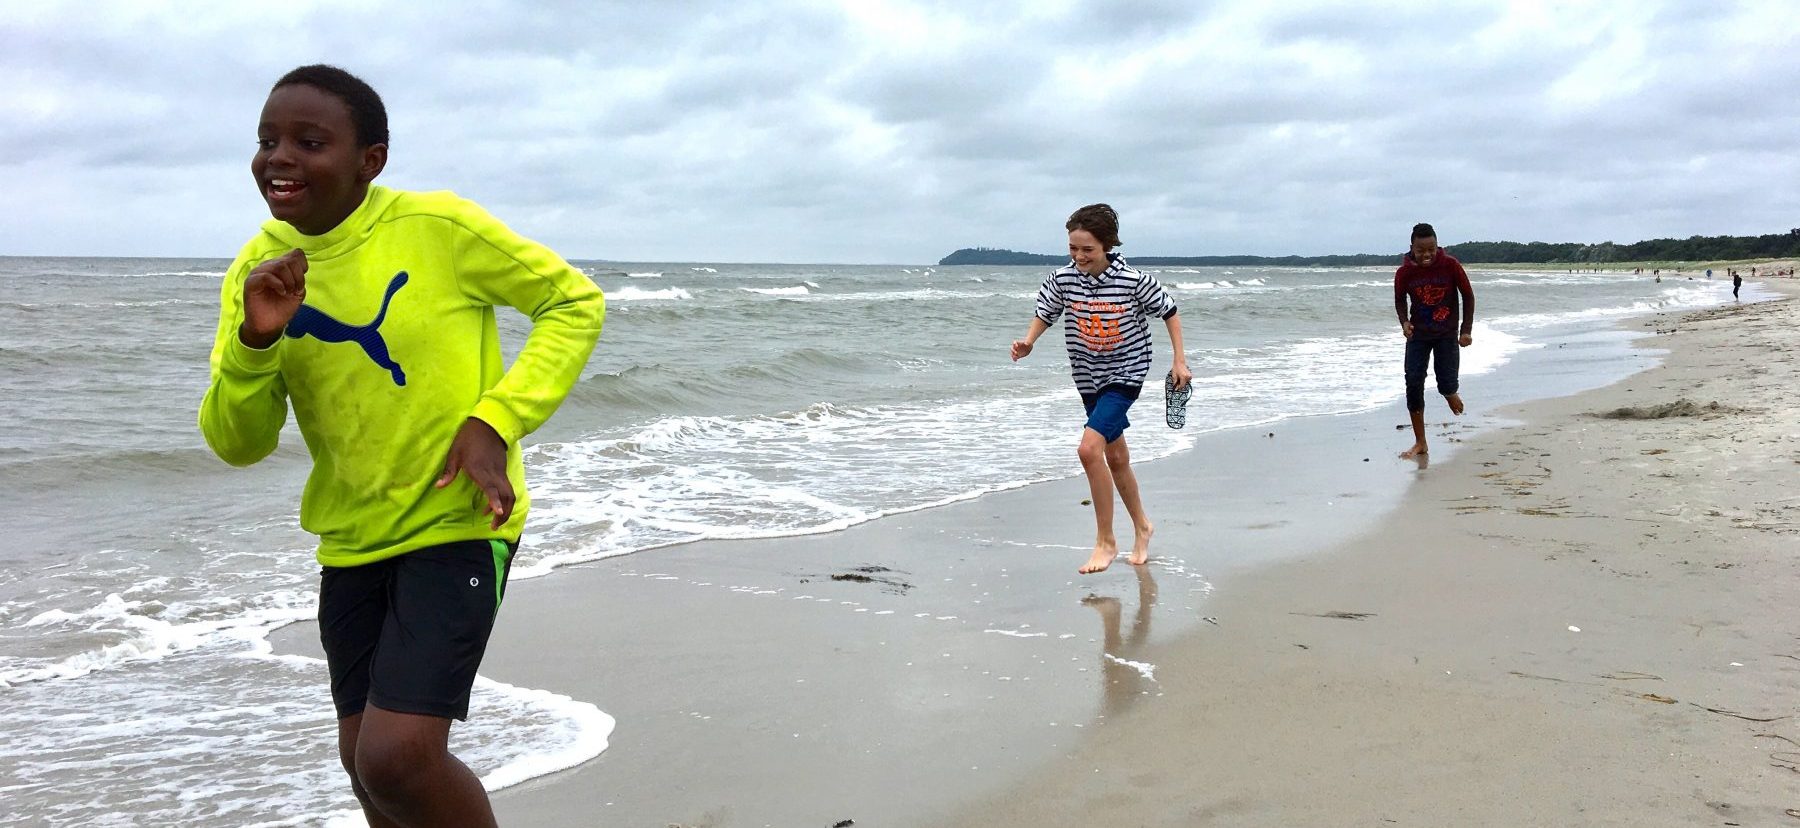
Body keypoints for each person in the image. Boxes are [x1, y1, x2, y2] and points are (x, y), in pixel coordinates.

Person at [199, 65, 604, 827]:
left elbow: (573, 301)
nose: (279, 157)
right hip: (350, 540)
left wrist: (497, 417)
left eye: (308, 142)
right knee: (367, 772)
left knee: (398, 756)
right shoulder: (256, 274)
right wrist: (256, 339)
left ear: (369, 160)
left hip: (458, 521)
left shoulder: (437, 227)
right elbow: (236, 441)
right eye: (267, 141)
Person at [1010, 204, 1191, 574]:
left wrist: (1179, 361)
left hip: (1127, 374)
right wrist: (1029, 341)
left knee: (1089, 450)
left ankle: (1106, 541)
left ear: (1108, 245)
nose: (1079, 257)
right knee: (1116, 457)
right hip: (1087, 377)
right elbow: (1047, 311)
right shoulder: (1062, 279)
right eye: (1073, 249)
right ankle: (1143, 526)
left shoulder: (1134, 280)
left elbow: (1169, 310)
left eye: (1087, 250)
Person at [1394, 222, 1473, 459]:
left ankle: (1450, 393)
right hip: (1418, 335)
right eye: (1421, 250)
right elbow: (1399, 300)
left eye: (1431, 249)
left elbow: (1467, 295)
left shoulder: (1450, 265)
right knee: (1413, 382)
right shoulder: (1404, 272)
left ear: (1437, 246)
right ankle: (1420, 442)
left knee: (1447, 382)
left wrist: (1465, 330)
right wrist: (1404, 322)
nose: (1427, 255)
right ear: (1412, 248)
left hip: (1446, 333)